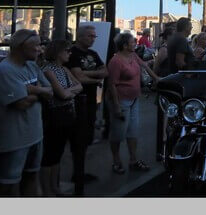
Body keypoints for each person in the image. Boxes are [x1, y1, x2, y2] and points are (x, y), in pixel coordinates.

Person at [0, 29, 53, 196]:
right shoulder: (5, 71)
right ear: (20, 47)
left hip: (35, 135)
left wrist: (31, 89)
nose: (40, 50)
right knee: (7, 186)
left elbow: (50, 90)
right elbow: (21, 103)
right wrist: (40, 92)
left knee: (31, 178)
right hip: (13, 140)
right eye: (36, 46)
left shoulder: (32, 66)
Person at [106, 33, 160, 174]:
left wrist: (157, 78)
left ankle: (133, 160)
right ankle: (116, 161)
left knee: (133, 131)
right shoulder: (116, 61)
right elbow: (112, 85)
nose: (135, 44)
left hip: (134, 99)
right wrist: (116, 106)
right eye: (132, 42)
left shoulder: (133, 56)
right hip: (121, 101)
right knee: (118, 133)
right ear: (124, 45)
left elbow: (145, 66)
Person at [40, 39, 83, 196]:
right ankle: (47, 190)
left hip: (66, 115)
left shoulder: (63, 69)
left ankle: (54, 186)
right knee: (50, 154)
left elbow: (79, 85)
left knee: (57, 153)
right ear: (58, 53)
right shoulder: (48, 70)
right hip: (55, 117)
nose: (69, 53)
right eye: (67, 51)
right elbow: (64, 93)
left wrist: (68, 92)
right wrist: (70, 92)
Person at [66, 24, 108, 183]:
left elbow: (105, 71)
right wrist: (95, 78)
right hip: (76, 102)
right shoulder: (72, 53)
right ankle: (77, 174)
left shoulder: (93, 53)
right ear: (81, 36)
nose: (93, 39)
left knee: (87, 137)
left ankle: (80, 172)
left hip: (91, 101)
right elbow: (77, 77)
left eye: (94, 36)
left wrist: (86, 74)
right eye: (90, 36)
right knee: (78, 139)